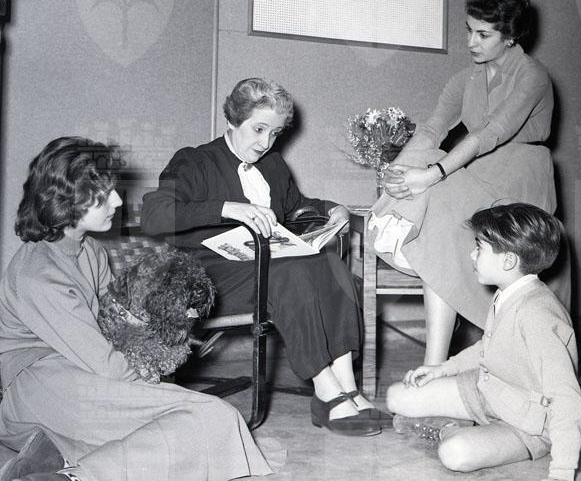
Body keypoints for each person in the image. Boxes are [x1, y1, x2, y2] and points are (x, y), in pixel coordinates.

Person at [0, 137, 273, 481]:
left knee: (209, 417)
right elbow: (106, 362)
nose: (117, 201)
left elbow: (117, 323)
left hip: (80, 374)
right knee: (209, 417)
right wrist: (155, 387)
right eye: (104, 194)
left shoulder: (90, 250)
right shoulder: (39, 274)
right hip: (41, 389)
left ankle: (60, 467)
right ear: (67, 200)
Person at [141, 78, 387, 436]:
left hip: (266, 269)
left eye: (275, 133)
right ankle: (325, 392)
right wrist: (226, 208)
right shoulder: (194, 161)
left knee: (332, 265)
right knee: (290, 272)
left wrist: (332, 209)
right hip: (211, 279)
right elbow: (154, 215)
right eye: (258, 129)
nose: (266, 142)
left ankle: (348, 387)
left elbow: (297, 207)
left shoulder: (273, 166)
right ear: (233, 120)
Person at [370, 0, 570, 365]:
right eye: (469, 30)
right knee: (436, 232)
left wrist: (431, 173)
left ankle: (436, 363)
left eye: (483, 34)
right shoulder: (467, 78)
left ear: (511, 36)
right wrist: (396, 171)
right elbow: (432, 129)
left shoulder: (532, 75)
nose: (471, 42)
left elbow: (489, 132)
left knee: (433, 177)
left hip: (520, 179)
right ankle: (434, 366)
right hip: (479, 174)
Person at [386, 203, 581, 481]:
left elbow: (567, 399)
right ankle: (464, 426)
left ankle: (453, 429)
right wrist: (441, 369)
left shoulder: (538, 314)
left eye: (479, 247)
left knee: (455, 453)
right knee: (396, 397)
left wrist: (562, 473)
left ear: (508, 261)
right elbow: (488, 348)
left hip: (527, 424)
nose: (472, 254)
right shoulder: (508, 292)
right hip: (487, 393)